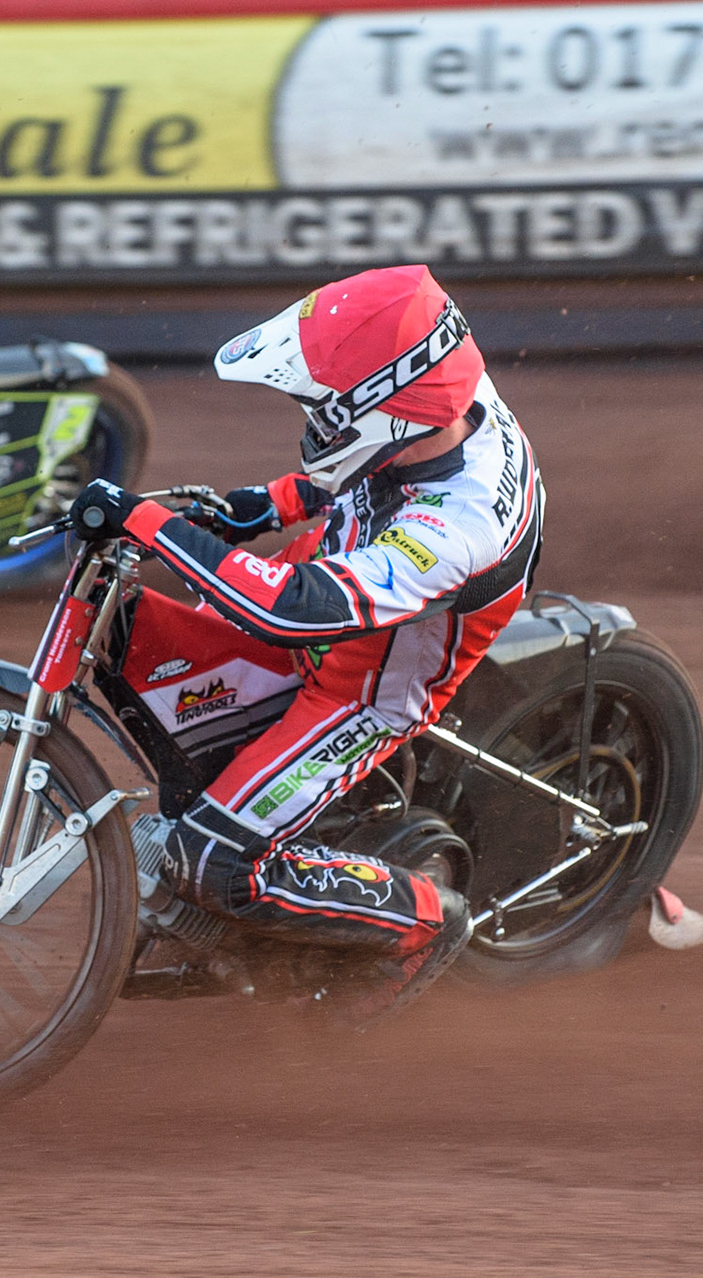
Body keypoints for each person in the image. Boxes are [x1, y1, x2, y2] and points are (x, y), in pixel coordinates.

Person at [69, 264, 545, 1021]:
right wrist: (260, 506)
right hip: (350, 571)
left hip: (366, 685)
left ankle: (423, 919)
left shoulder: (460, 521)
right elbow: (354, 471)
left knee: (213, 860)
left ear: (386, 411)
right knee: (163, 648)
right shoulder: (447, 394)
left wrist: (148, 521)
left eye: (321, 406)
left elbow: (297, 611)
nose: (308, 415)